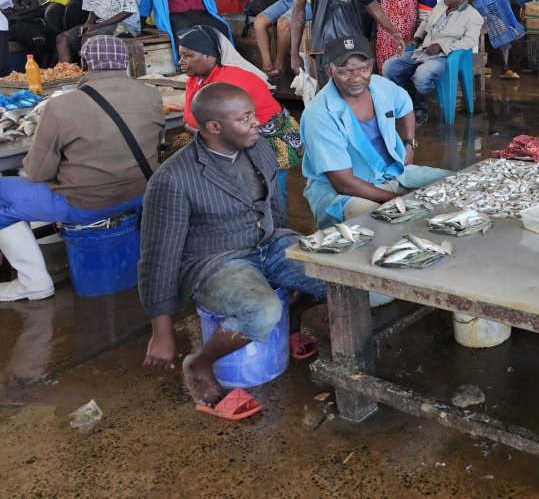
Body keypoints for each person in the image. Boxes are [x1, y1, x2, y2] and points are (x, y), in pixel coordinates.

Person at [140, 83, 326, 417]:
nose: (257, 123)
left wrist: (285, 244)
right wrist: (161, 331)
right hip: (216, 261)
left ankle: (292, 318)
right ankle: (200, 364)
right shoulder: (173, 178)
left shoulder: (258, 147)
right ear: (214, 127)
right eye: (245, 118)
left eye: (253, 114)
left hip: (268, 243)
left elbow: (274, 206)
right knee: (262, 310)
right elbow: (158, 256)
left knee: (338, 272)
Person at [0, 37, 162, 301]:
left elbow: (38, 173)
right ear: (124, 62)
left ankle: (33, 282)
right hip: (142, 193)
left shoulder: (61, 105)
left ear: (84, 63)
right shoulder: (152, 95)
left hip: (87, 204)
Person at [304, 35, 449, 225]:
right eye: (345, 71)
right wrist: (401, 200)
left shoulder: (379, 86)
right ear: (330, 71)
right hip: (347, 192)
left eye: (363, 69)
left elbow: (405, 104)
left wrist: (410, 144)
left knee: (454, 181)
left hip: (393, 173)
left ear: (371, 65)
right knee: (378, 222)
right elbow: (343, 183)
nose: (357, 78)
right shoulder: (319, 114)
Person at [177, 26, 301, 182]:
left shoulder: (230, 85)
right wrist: (200, 132)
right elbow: (189, 120)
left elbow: (226, 135)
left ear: (209, 56)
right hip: (224, 137)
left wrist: (197, 131)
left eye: (188, 55)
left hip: (265, 139)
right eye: (181, 55)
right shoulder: (195, 79)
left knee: (260, 182)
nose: (181, 62)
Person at [382, 0, 484, 125]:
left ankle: (421, 109)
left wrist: (442, 47)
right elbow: (425, 22)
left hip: (443, 56)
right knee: (389, 67)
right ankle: (409, 101)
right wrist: (416, 38)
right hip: (422, 50)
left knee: (422, 75)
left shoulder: (473, 16)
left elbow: (470, 41)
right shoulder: (441, 5)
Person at [7, 0, 55, 67]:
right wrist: (29, 11)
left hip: (25, 20)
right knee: (38, 42)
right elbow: (8, 17)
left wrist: (19, 15)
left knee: (55, 36)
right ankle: (37, 70)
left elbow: (35, 5)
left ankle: (50, 70)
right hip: (10, 24)